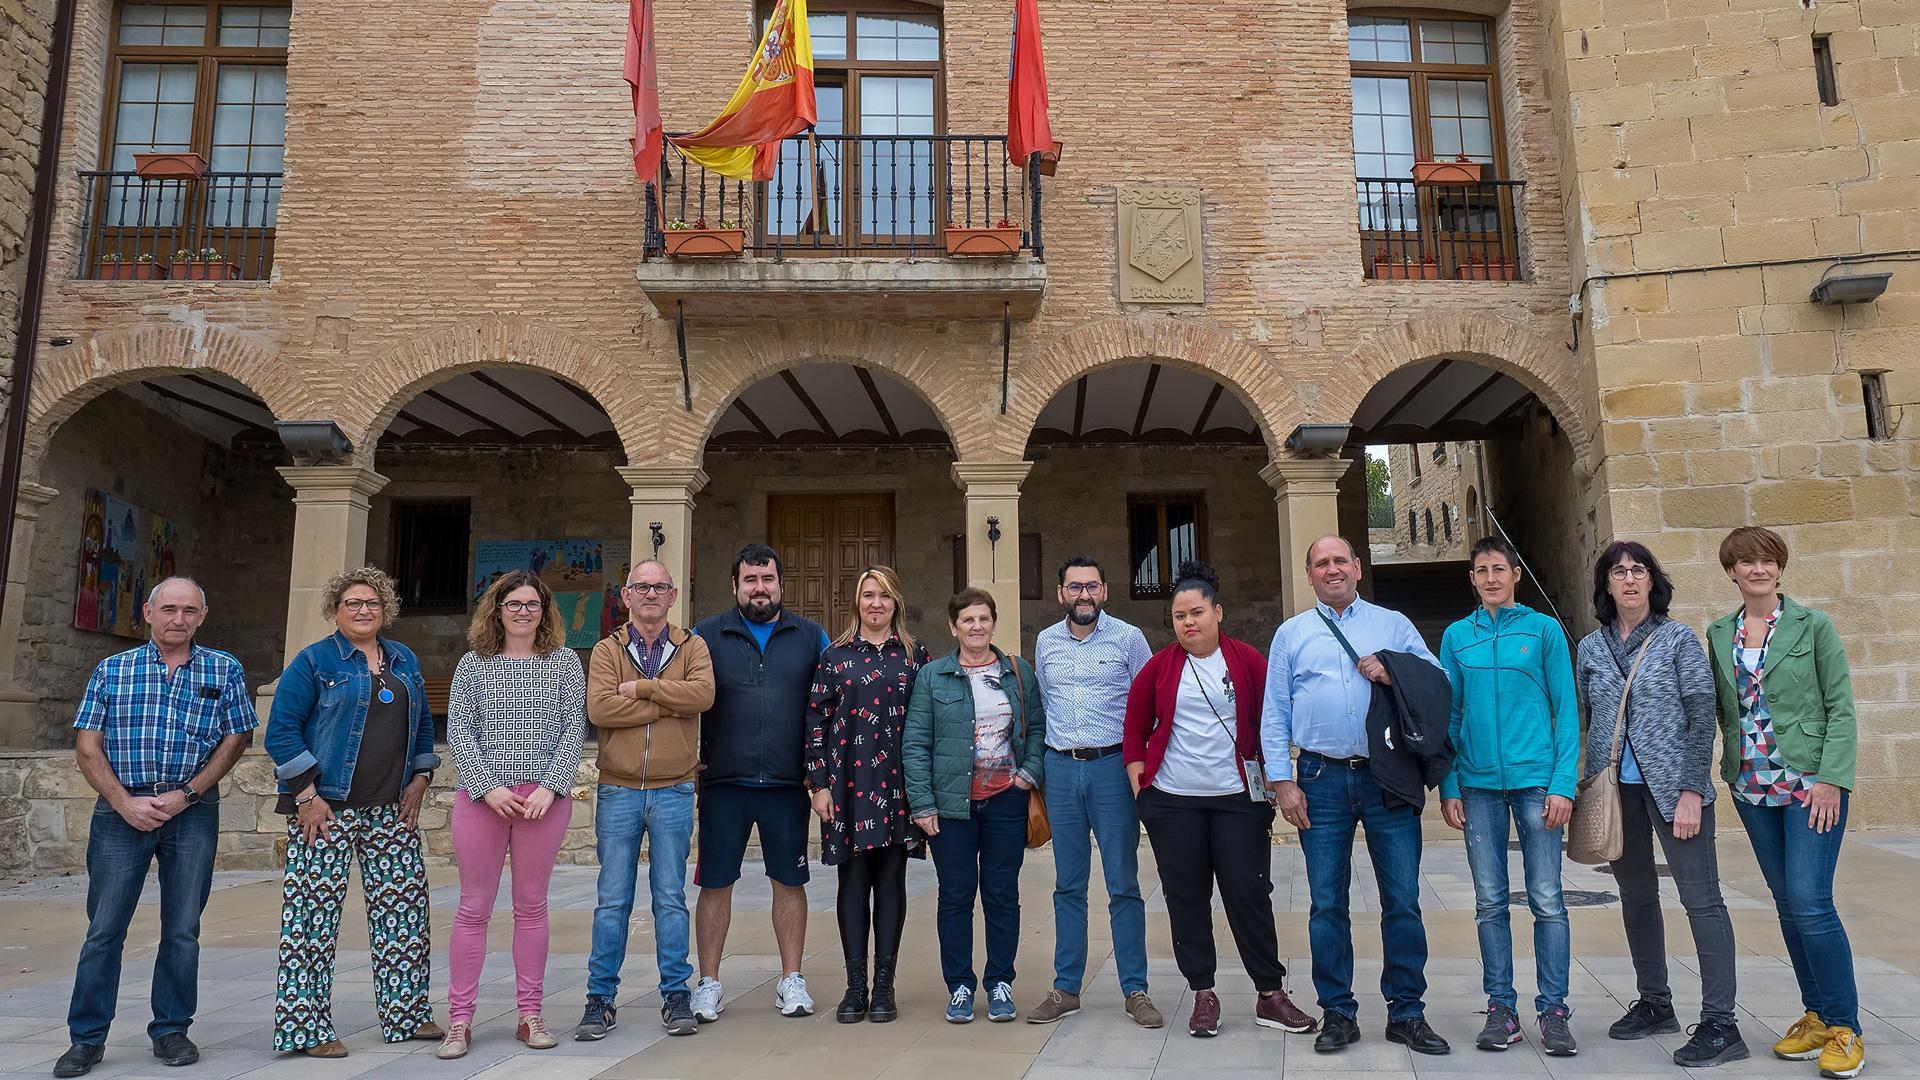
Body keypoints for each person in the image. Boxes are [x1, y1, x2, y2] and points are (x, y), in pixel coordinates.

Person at [53, 579, 257, 1079]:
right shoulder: (112, 670)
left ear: (202, 616)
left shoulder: (222, 668)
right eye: (169, 609)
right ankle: (87, 1038)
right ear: (148, 612)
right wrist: (124, 803)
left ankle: (171, 1030)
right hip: (121, 812)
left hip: (192, 810)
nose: (178, 619)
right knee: (104, 929)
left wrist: (188, 793)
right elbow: (87, 745)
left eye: (189, 610)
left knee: (183, 928)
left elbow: (238, 736)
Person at [1260, 536, 1450, 1056]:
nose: (1332, 569)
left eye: (1340, 560)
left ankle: (1407, 1012)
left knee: (1403, 901)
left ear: (1358, 568)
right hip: (1319, 778)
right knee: (1326, 903)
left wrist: (1393, 671)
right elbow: (1274, 710)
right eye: (1321, 563)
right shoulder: (1291, 634)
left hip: (1387, 775)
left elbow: (1439, 680)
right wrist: (1283, 780)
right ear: (1309, 575)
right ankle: (1338, 1012)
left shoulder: (1391, 624)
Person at [1125, 561, 1316, 1040]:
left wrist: (1278, 775)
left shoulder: (1248, 661)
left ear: (1218, 612)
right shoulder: (1160, 666)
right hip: (1174, 801)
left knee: (1248, 892)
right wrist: (1138, 777)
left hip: (1238, 798)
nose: (1188, 623)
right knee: (1186, 896)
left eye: (1197, 613)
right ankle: (1203, 993)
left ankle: (1270, 993)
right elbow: (1134, 722)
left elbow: (1273, 718)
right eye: (1179, 616)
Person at [1575, 541, 1745, 1067]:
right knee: (1637, 897)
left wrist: (1693, 788)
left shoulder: (1678, 640)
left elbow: (1702, 714)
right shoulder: (1589, 648)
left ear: (1652, 582)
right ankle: (1655, 1002)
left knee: (1702, 901)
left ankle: (1722, 1022)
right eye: (1618, 572)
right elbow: (1587, 718)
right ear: (1605, 584)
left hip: (1676, 789)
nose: (1628, 579)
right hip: (1616, 791)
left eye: (1638, 571)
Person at [263, 567, 441, 1057]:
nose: (364, 611)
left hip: (391, 809)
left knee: (405, 914)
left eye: (373, 603)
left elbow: (423, 724)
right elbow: (280, 731)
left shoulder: (402, 658)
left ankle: (407, 1014)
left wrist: (421, 778)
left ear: (386, 609)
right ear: (335, 610)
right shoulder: (314, 661)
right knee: (311, 920)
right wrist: (306, 795)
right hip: (326, 809)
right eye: (353, 604)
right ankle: (308, 1029)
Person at [1707, 526, 1862, 1079]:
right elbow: (1726, 711)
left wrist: (1830, 779)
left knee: (1811, 902)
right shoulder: (1719, 631)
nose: (1757, 569)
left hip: (1808, 785)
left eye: (1767, 560)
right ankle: (1817, 1014)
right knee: (1787, 904)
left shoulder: (1812, 625)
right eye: (1746, 561)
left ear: (1780, 568)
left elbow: (1840, 705)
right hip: (1752, 786)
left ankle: (1846, 1028)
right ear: (1731, 572)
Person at [435, 571, 587, 1059]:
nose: (523, 612)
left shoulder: (564, 663)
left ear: (545, 612)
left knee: (532, 906)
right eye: (514, 604)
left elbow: (573, 730)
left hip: (543, 800)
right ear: (496, 610)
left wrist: (550, 786)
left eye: (533, 604)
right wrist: (488, 787)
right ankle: (459, 1021)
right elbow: (460, 731)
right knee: (473, 908)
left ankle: (530, 1014)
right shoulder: (473, 666)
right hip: (484, 800)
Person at [1438, 537, 1578, 1056]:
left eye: (1500, 569)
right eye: (1482, 570)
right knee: (1490, 901)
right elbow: (1449, 716)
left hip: (1537, 781)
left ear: (1516, 574)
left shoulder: (1543, 632)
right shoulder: (1456, 637)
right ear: (1472, 579)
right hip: (1476, 786)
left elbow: (1567, 711)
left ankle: (1554, 1009)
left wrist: (1563, 783)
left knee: (1547, 899)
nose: (1491, 578)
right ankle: (1501, 1007)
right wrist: (1449, 783)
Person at [690, 544, 830, 1021]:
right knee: (714, 884)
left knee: (789, 882)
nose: (760, 588)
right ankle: (708, 983)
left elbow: (829, 706)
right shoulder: (706, 635)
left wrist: (823, 773)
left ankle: (791, 980)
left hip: (788, 784)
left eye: (767, 579)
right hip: (723, 782)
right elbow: (687, 699)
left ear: (780, 583)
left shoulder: (811, 636)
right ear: (735, 586)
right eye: (750, 580)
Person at [577, 560, 713, 1039]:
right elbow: (600, 708)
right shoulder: (605, 649)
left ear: (673, 596)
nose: (651, 594)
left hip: (674, 788)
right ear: (626, 595)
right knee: (612, 899)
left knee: (671, 898)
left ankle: (676, 995)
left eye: (659, 587)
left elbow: (702, 695)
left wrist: (642, 690)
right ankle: (600, 999)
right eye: (642, 587)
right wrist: (667, 703)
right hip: (618, 788)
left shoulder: (692, 645)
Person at [1024, 556, 1160, 1028]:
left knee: (1124, 883)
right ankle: (1066, 988)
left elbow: (1149, 706)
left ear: (1105, 591)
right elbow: (1040, 704)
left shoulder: (1129, 639)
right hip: (1060, 769)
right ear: (1061, 593)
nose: (1084, 595)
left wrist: (1144, 768)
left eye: (1092, 587)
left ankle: (1135, 990)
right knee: (1068, 884)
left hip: (1111, 770)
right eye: (1075, 587)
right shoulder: (1045, 642)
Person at [904, 587, 1045, 1024]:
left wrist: (1028, 774)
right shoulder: (933, 676)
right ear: (953, 627)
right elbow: (916, 743)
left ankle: (1000, 982)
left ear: (993, 623)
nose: (977, 626)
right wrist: (923, 803)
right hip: (951, 807)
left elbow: (1038, 728)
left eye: (984, 619)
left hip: (1006, 801)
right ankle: (960, 986)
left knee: (1002, 894)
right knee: (956, 895)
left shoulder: (1017, 672)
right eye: (968, 620)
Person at [805, 567, 931, 1023]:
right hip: (847, 787)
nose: (875, 603)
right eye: (867, 595)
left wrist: (925, 793)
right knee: (852, 884)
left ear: (896, 601)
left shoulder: (916, 657)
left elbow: (927, 725)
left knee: (891, 882)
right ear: (856, 602)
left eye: (884, 596)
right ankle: (854, 987)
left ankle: (884, 986)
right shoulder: (835, 657)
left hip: (898, 787)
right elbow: (815, 722)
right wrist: (818, 784)